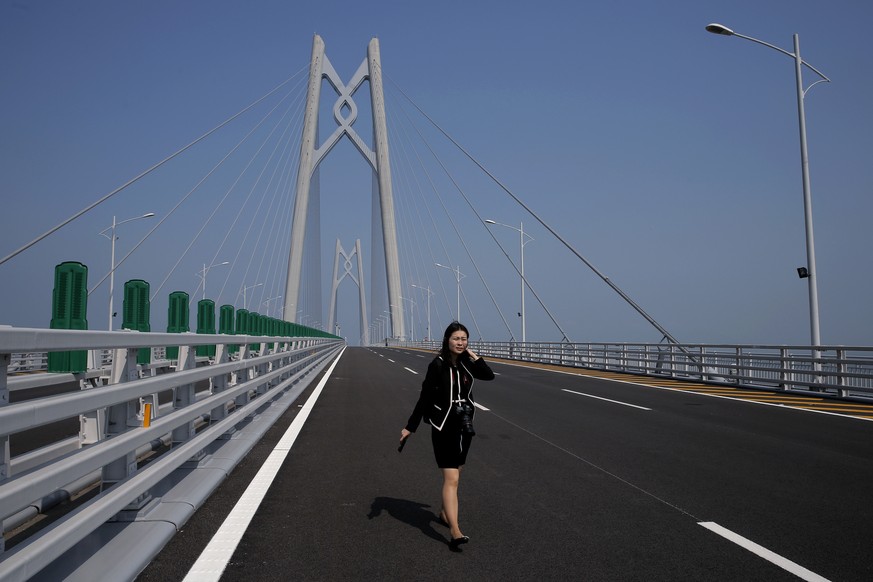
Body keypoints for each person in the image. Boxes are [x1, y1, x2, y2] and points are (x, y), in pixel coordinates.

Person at [400, 321, 495, 550]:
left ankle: (444, 512)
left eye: (464, 339)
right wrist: (410, 427)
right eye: (456, 339)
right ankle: (455, 530)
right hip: (443, 426)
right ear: (447, 340)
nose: (460, 343)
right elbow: (424, 397)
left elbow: (488, 375)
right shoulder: (438, 365)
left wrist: (473, 355)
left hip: (465, 425)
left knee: (458, 472)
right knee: (451, 478)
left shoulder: (466, 364)